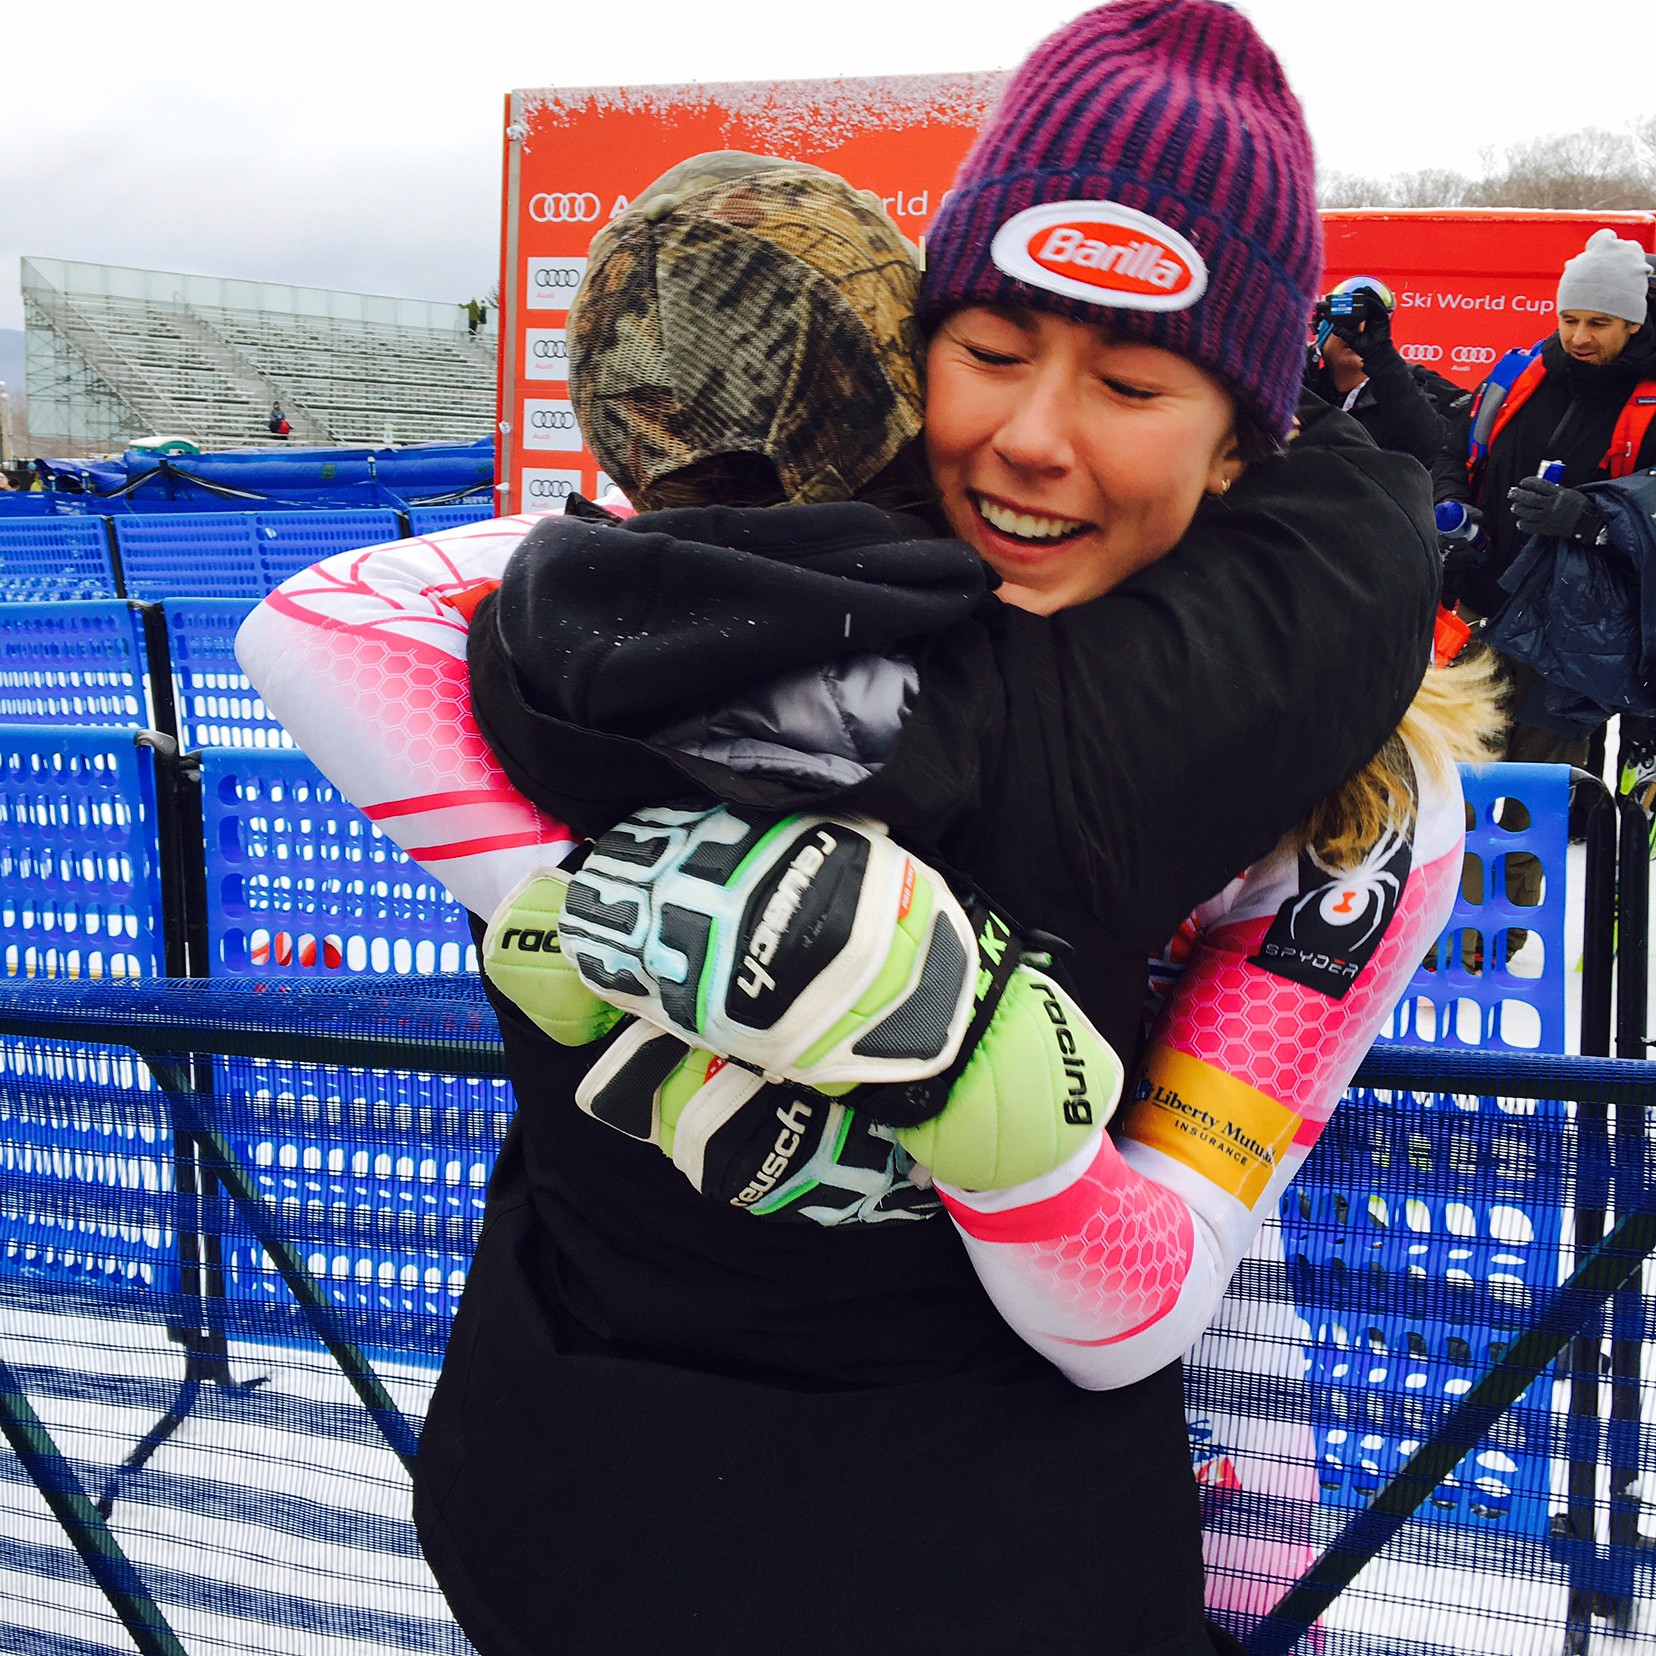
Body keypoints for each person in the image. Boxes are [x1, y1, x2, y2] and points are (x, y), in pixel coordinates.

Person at [239, 9, 1456, 1650]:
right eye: (996, 346)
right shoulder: (742, 586)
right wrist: (609, 940)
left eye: (1131, 381)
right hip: (571, 1533)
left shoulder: (1358, 808)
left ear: (1241, 434)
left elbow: (1134, 1306)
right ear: (910, 352)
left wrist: (970, 1085)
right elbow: (327, 619)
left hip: (1003, 1569)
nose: (1033, 434)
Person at [1434, 228, 1656, 766]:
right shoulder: (1518, 376)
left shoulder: (1648, 402)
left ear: (1634, 322)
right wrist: (1452, 507)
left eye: (1598, 323)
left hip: (1575, 631)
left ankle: (1529, 856)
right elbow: (1452, 454)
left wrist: (1589, 519)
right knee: (1457, 772)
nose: (1579, 336)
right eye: (1569, 318)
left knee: (1536, 794)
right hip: (1482, 602)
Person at [1302, 276, 1450, 467]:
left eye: (1369, 323)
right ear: (1323, 326)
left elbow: (1428, 449)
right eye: (1347, 321)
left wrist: (1381, 356)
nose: (1360, 329)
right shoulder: (1302, 387)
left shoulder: (1405, 391)